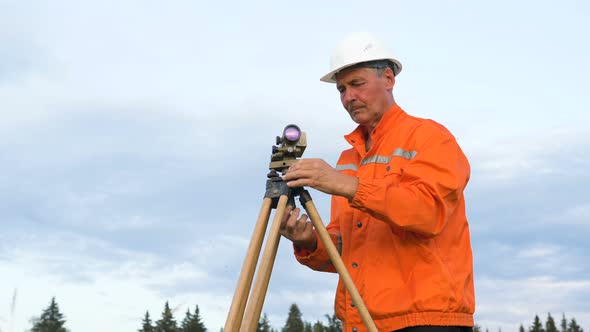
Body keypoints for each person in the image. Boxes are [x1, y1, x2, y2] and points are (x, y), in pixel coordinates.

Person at [279, 32, 475, 332]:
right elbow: (349, 251)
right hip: (363, 322)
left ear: (388, 78)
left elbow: (426, 212)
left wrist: (344, 185)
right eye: (341, 89)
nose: (348, 97)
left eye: (357, 84)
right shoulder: (349, 158)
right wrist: (309, 240)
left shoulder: (429, 137)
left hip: (426, 321)